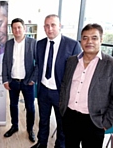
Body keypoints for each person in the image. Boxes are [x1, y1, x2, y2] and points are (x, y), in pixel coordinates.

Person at [59, 23, 113, 148]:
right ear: (81, 41)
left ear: (101, 40)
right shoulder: (71, 61)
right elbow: (65, 87)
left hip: (94, 121)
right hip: (70, 117)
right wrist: (62, 109)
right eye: (85, 38)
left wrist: (106, 122)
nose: (89, 41)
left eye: (94, 38)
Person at [32, 14, 81, 148]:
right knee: (43, 121)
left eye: (53, 25)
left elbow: (77, 73)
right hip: (43, 91)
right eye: (47, 26)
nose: (50, 28)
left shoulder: (72, 45)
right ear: (44, 28)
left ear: (60, 26)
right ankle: (41, 144)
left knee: (62, 124)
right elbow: (38, 65)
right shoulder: (40, 44)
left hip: (61, 94)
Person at [2, 18, 37, 142]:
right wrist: (5, 80)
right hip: (13, 81)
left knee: (30, 108)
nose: (17, 30)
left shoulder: (33, 43)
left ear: (24, 28)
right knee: (13, 105)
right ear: (12, 29)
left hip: (28, 82)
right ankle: (14, 126)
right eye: (14, 28)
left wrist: (33, 79)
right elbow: (5, 62)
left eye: (19, 27)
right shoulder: (9, 44)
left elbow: (39, 63)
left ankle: (30, 129)